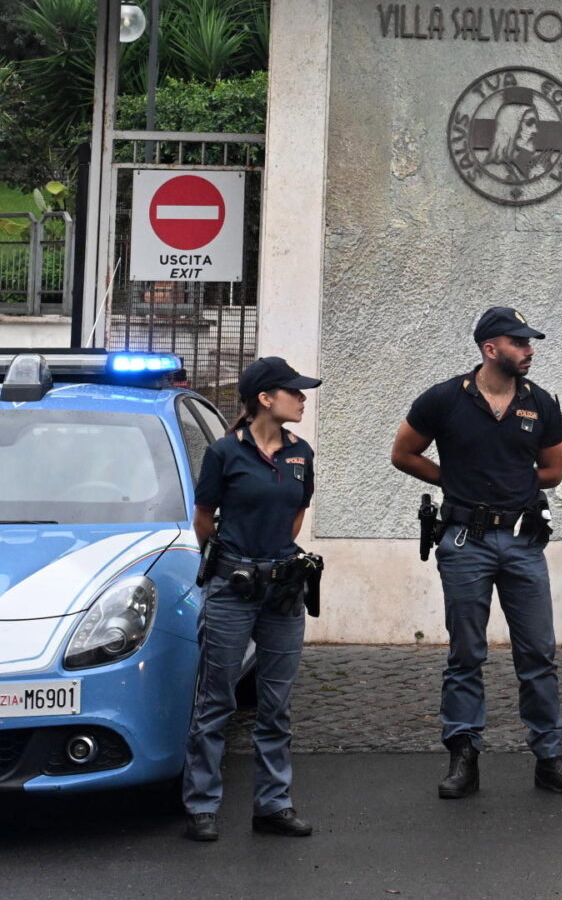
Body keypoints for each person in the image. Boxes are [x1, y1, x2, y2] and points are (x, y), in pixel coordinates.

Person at [390, 305, 562, 799]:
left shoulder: (540, 404)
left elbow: (553, 471)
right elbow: (403, 453)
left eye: (530, 342)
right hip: (464, 542)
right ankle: (463, 756)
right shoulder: (443, 399)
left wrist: (513, 490)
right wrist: (451, 481)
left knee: (538, 653)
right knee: (466, 653)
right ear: (490, 348)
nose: (529, 350)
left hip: (521, 542)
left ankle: (549, 756)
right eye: (519, 343)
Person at [183, 354, 321, 842]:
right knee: (215, 701)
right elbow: (204, 519)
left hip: (282, 593)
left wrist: (274, 560)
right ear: (265, 399)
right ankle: (201, 805)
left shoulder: (301, 452)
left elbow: (296, 516)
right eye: (294, 391)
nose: (303, 398)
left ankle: (273, 804)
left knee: (275, 704)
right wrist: (231, 562)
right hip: (231, 592)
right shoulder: (225, 453)